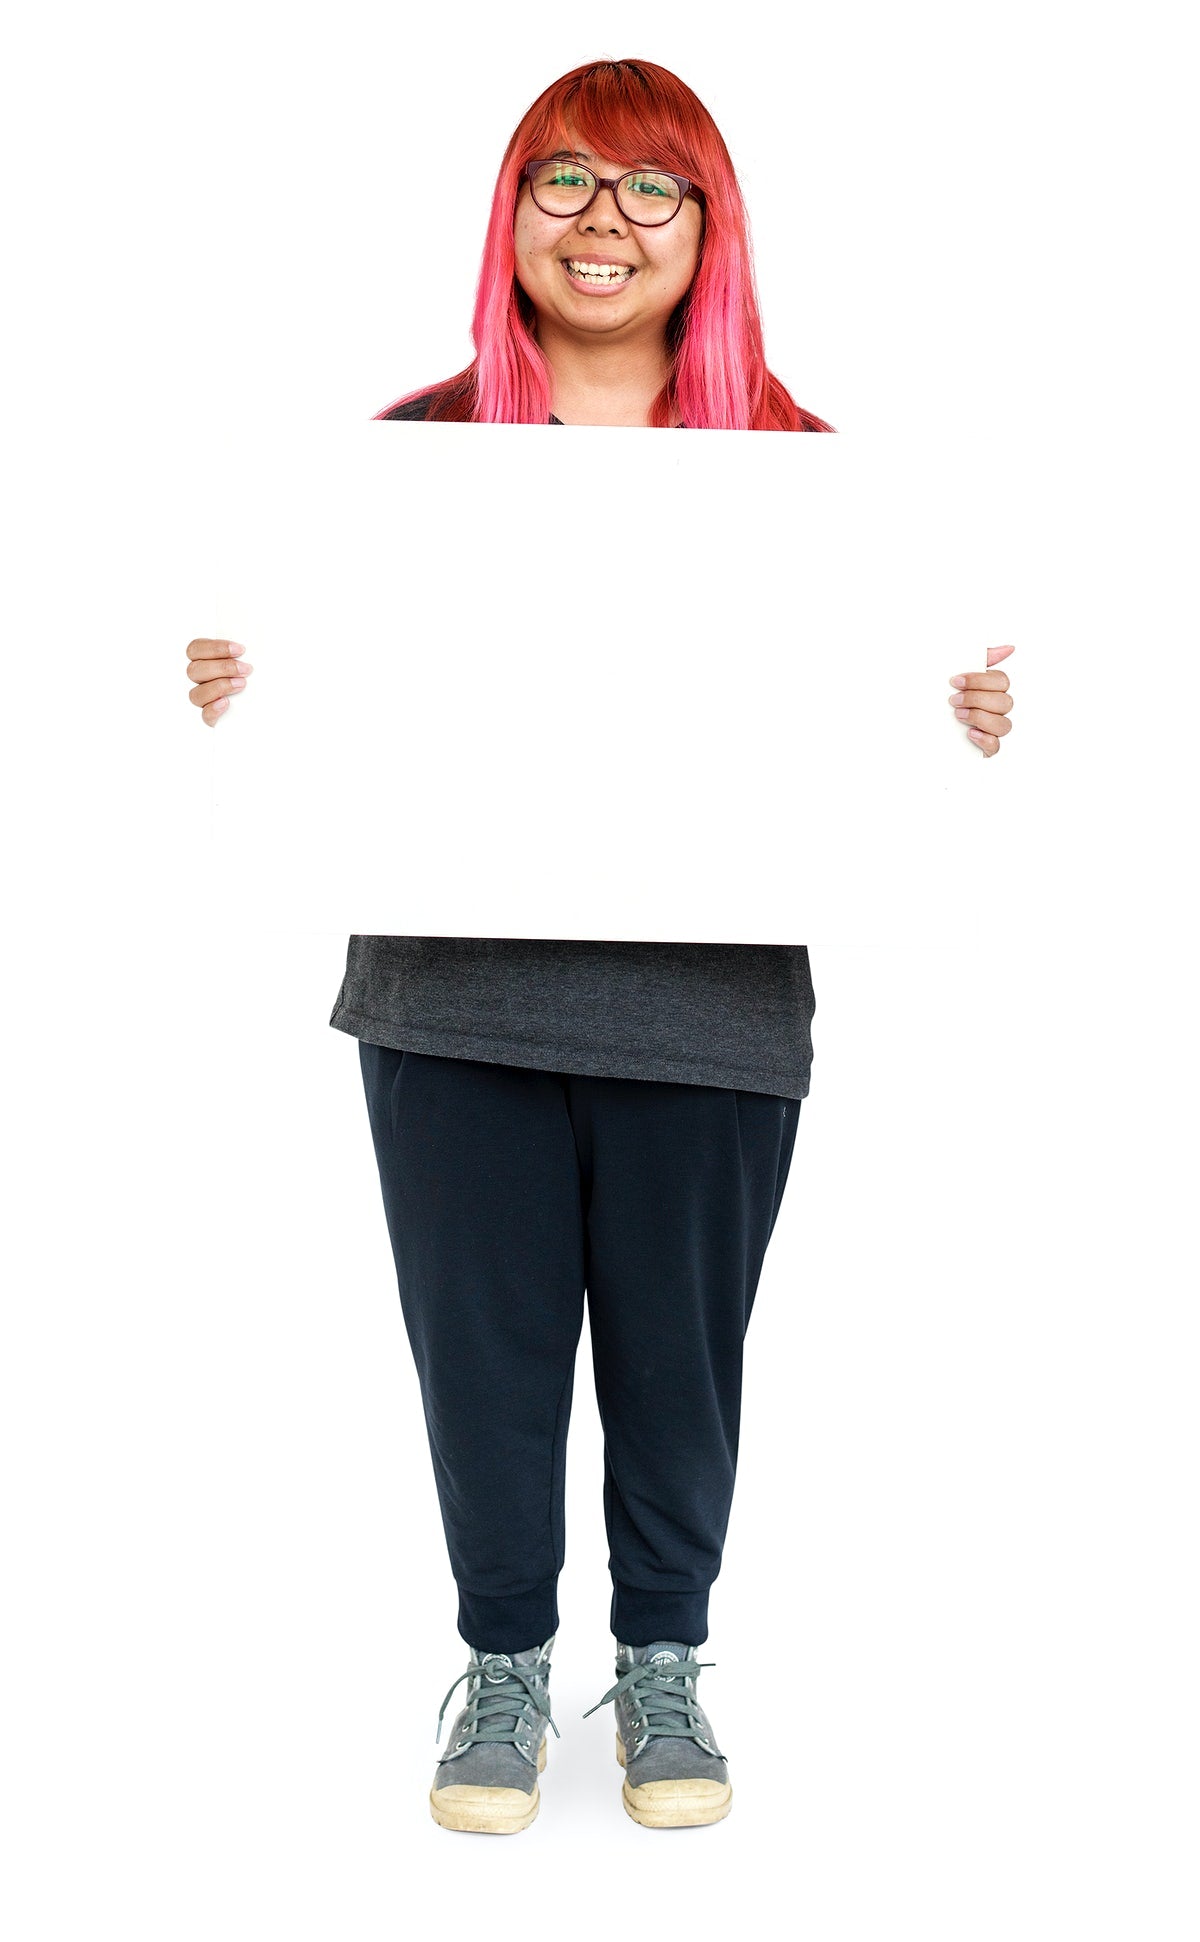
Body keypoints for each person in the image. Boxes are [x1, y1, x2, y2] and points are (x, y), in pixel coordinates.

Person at [184, 56, 1016, 1835]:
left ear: (709, 228)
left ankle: (661, 1663)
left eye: (649, 188)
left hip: (709, 1006)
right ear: (511, 215)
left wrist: (953, 714)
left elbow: (897, 719)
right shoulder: (402, 457)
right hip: (450, 991)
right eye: (561, 181)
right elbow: (305, 687)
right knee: (475, 1356)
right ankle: (499, 1663)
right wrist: (246, 688)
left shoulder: (808, 474)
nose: (604, 223)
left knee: (677, 1363)